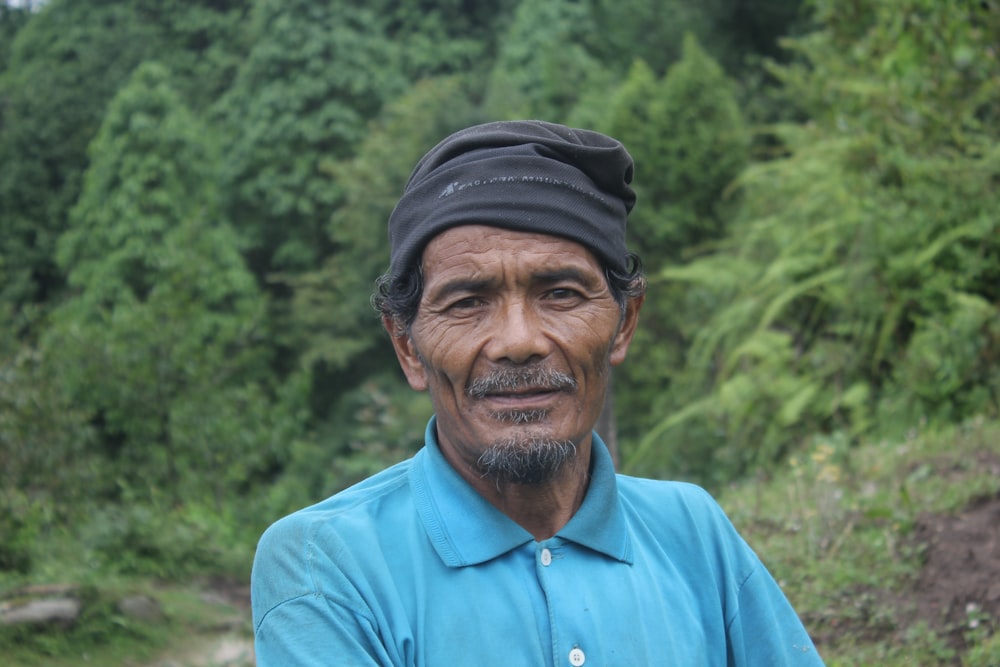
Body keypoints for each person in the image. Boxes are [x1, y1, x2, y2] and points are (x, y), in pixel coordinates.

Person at [251, 120, 825, 666]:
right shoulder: (325, 563)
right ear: (407, 346)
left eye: (562, 294)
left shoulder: (691, 531)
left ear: (624, 323)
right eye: (467, 302)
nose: (519, 342)